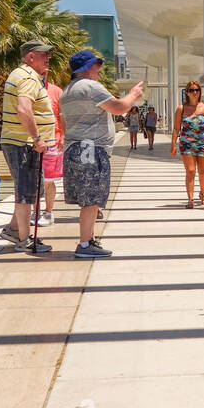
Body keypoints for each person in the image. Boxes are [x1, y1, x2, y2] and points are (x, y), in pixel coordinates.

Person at [61, 49, 144, 257]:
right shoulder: (90, 87)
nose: (99, 69)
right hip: (91, 148)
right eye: (96, 65)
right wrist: (133, 94)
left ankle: (89, 240)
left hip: (74, 148)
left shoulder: (67, 91)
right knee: (91, 197)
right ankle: (84, 244)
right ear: (88, 67)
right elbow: (118, 107)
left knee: (89, 198)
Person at [0, 40, 55, 253]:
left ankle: (14, 230)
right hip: (23, 143)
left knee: (29, 190)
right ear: (31, 57)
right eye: (44, 54)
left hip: (20, 142)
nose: (48, 57)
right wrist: (37, 138)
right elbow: (24, 109)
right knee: (25, 193)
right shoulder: (28, 77)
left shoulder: (23, 75)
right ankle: (24, 239)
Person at [174, 80, 204, 208]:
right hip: (186, 144)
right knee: (191, 171)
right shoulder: (181, 108)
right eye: (191, 90)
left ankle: (202, 194)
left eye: (197, 90)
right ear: (186, 93)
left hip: (203, 143)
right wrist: (173, 145)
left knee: (203, 172)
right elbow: (176, 128)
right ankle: (190, 199)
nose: (194, 93)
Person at [37, 79, 65, 228]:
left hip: (52, 140)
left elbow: (62, 116)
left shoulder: (56, 91)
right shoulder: (27, 87)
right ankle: (35, 211)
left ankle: (48, 212)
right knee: (33, 180)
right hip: (30, 141)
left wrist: (63, 136)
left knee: (48, 180)